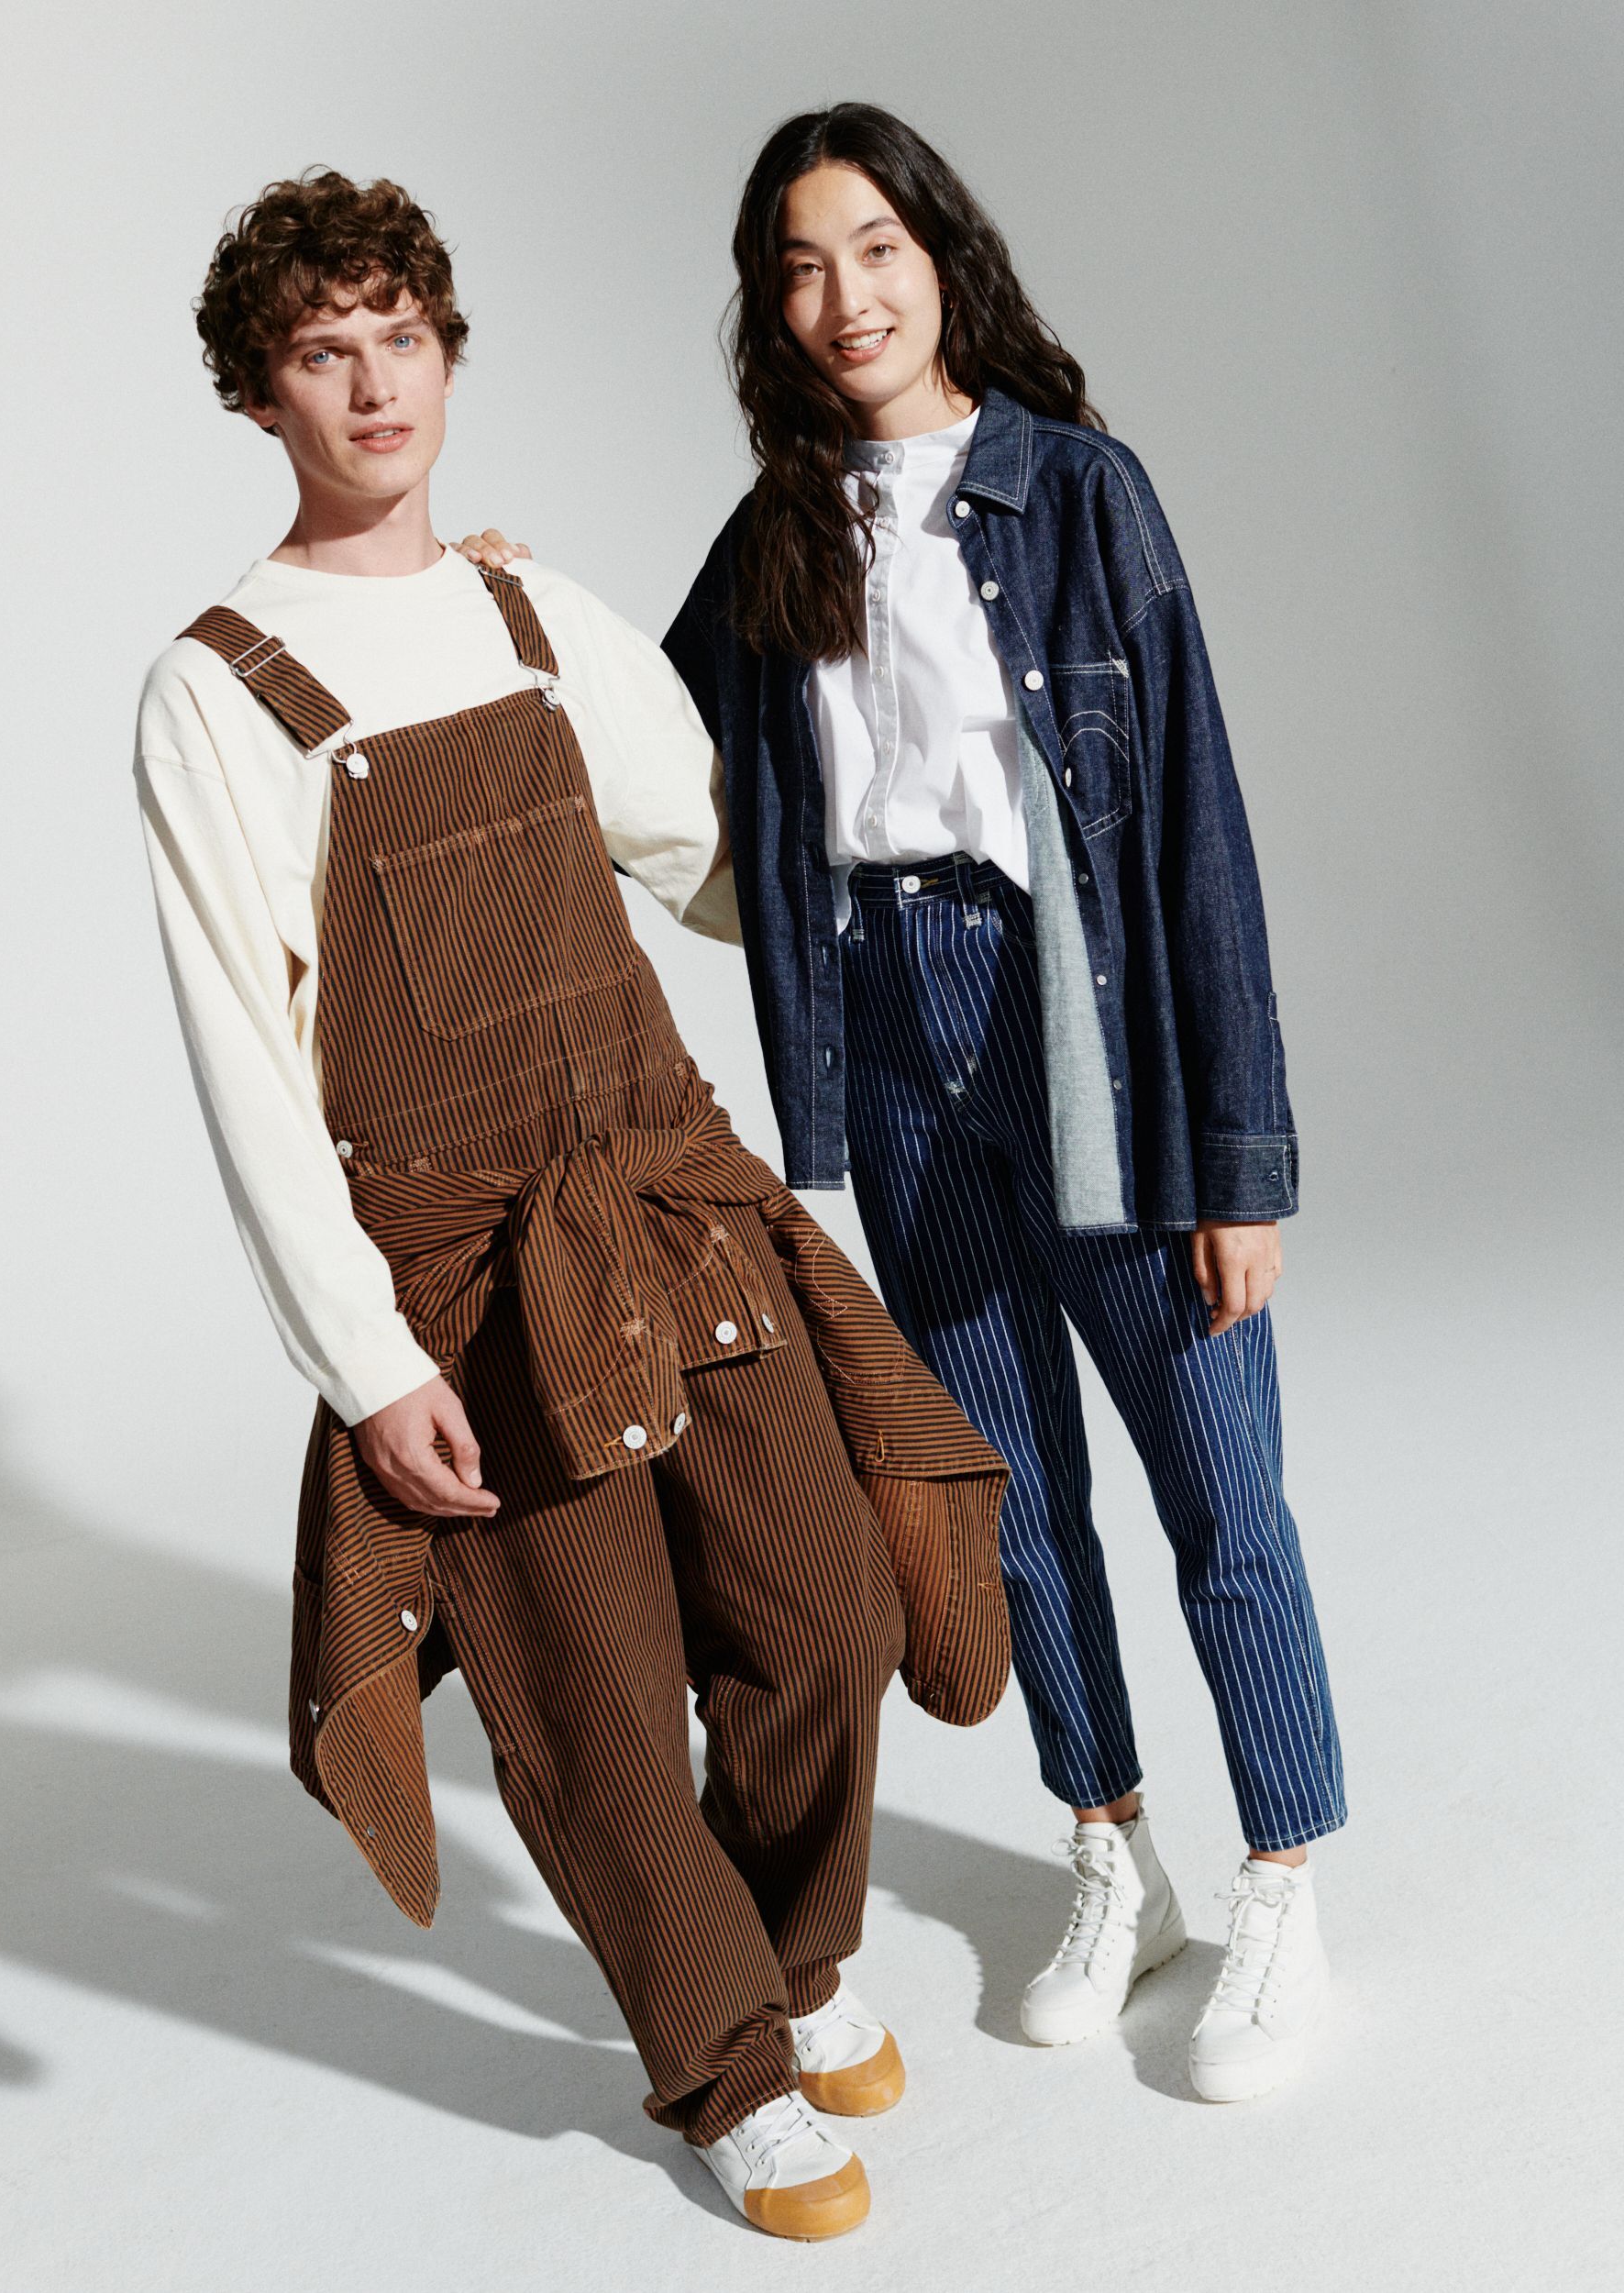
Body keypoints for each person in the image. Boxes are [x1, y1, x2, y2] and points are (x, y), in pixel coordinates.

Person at [132, 168, 1012, 2241]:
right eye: (322, 354)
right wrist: (368, 1366)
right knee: (595, 1700)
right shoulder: (218, 686)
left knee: (822, 1607)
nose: (374, 386)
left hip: (673, 1198)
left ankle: (792, 1955)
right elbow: (244, 1066)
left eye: (400, 338)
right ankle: (725, 2068)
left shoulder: (530, 614)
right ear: (259, 398)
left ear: (447, 353)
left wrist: (938, 853)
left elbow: (718, 864)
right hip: (464, 1271)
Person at [465, 99, 1342, 2103]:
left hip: (1083, 1023)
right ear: (769, 308)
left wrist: (1241, 1159)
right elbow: (644, 740)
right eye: (799, 266)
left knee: (1218, 1482)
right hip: (889, 1021)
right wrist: (518, 610)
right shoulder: (779, 533)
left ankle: (1283, 1881)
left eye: (873, 246)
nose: (843, 295)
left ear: (941, 257)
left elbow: (1196, 832)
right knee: (1003, 1492)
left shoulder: (1080, 494)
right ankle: (1114, 1853)